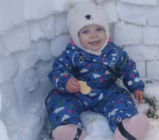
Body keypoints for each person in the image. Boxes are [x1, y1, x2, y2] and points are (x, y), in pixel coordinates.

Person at [45, 1, 149, 140]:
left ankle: (125, 126)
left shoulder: (114, 52)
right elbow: (58, 70)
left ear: (106, 30)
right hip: (77, 92)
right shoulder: (72, 54)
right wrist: (66, 81)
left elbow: (127, 68)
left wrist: (136, 86)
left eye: (99, 29)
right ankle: (69, 128)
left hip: (106, 91)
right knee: (56, 97)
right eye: (86, 31)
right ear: (76, 36)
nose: (94, 35)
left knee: (121, 97)